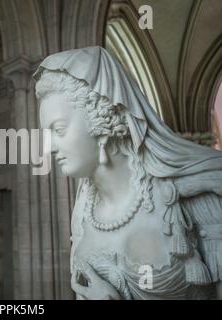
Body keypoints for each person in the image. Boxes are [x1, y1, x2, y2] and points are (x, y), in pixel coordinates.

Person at [34, 46, 222, 299]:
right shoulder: (83, 210)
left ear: (99, 119)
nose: (49, 148)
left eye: (58, 130)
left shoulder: (193, 197)